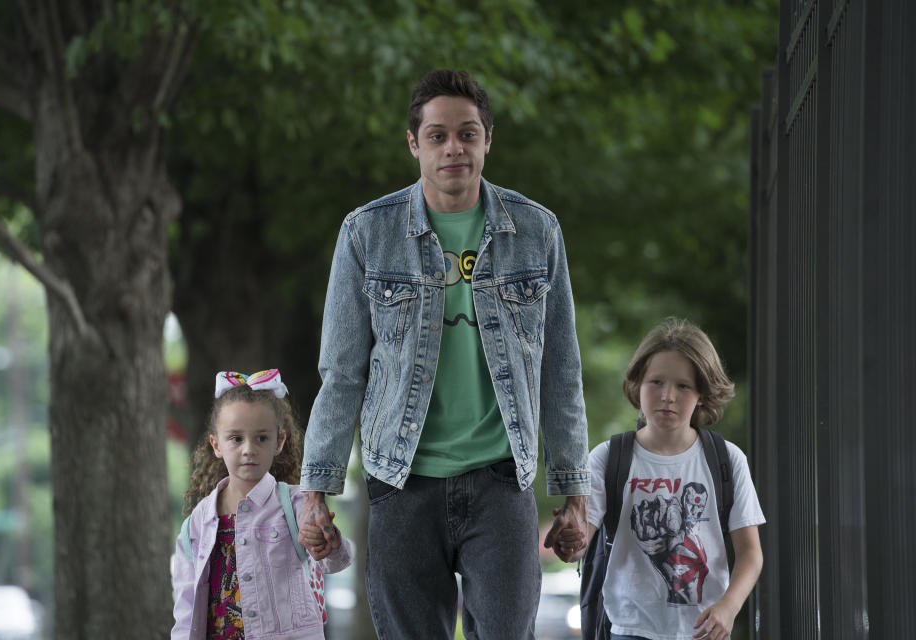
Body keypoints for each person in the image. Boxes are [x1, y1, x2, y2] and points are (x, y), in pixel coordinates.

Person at [298, 68, 590, 639]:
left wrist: (573, 492)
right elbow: (341, 374)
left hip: (501, 480)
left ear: (487, 139)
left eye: (467, 133)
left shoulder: (537, 231)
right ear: (414, 144)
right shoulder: (366, 233)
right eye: (437, 135)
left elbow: (562, 373)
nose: (453, 147)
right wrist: (317, 490)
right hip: (401, 482)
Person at [572, 318, 764, 640]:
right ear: (637, 384)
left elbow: (750, 553)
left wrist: (729, 607)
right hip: (629, 630)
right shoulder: (607, 458)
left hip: (704, 632)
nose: (668, 396)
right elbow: (580, 541)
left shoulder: (727, 460)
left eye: (683, 386)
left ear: (702, 393)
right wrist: (569, 537)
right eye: (656, 382)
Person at [171, 369, 352, 640]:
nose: (248, 449)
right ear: (216, 444)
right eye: (236, 438)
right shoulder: (196, 523)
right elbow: (185, 607)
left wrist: (328, 541)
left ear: (279, 441)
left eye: (261, 438)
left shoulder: (297, 504)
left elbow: (336, 560)